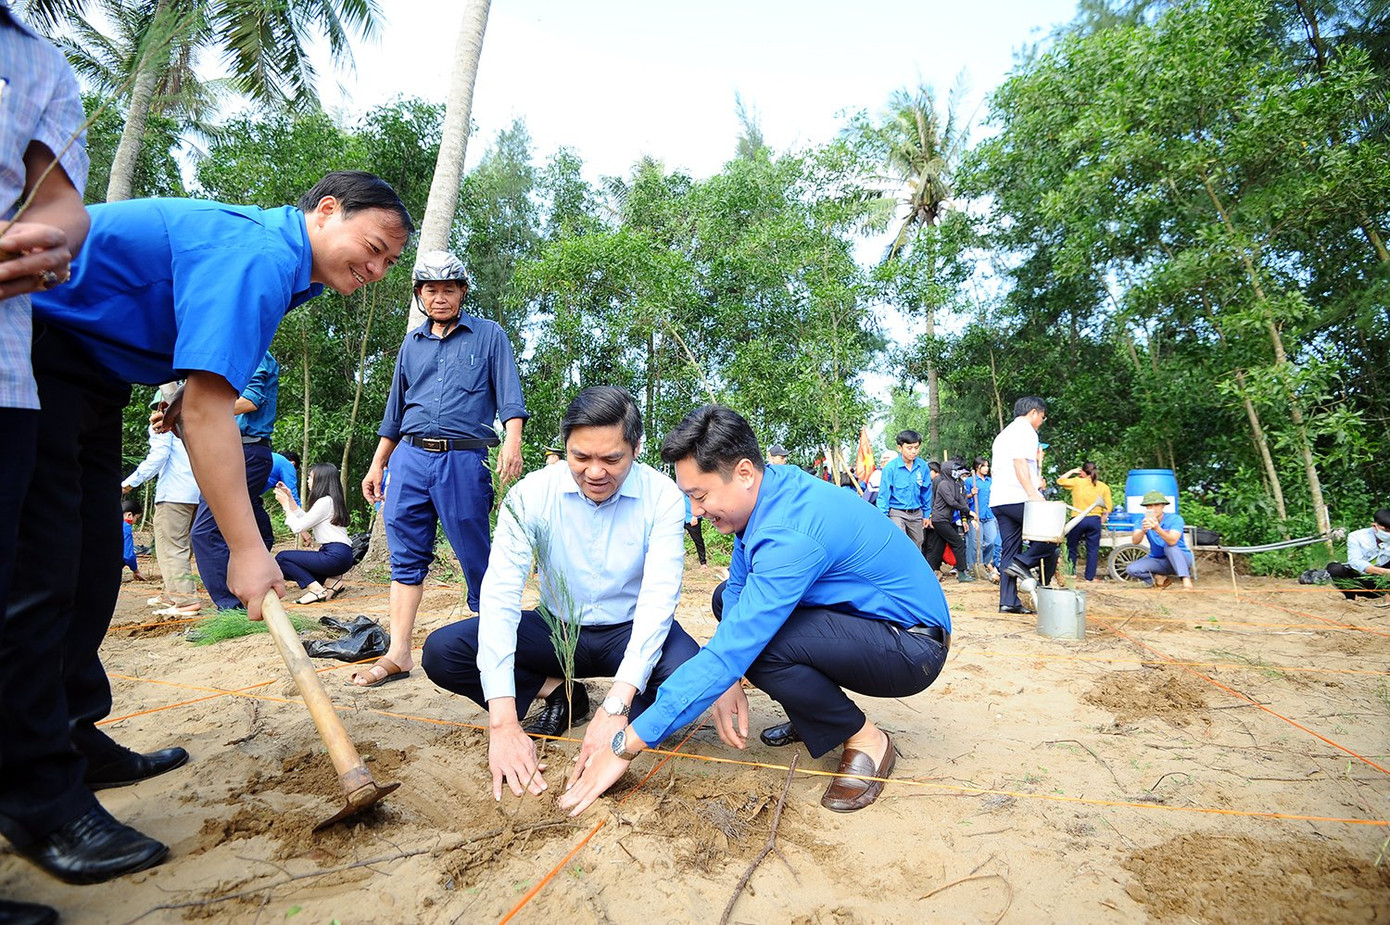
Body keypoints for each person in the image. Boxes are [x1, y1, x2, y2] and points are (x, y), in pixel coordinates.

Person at [11, 170, 411, 886]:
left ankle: (70, 730)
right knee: (43, 570)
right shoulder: (263, 253)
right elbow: (207, 410)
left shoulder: (285, 266)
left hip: (96, 374)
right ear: (325, 211)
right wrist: (249, 551)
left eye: (388, 263)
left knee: (95, 561)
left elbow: (193, 381)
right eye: (374, 247)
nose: (378, 270)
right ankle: (35, 794)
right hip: (36, 340)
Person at [559, 406, 952, 817]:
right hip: (863, 623)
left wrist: (624, 745)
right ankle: (814, 714)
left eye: (700, 496)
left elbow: (735, 648)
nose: (695, 512)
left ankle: (868, 740)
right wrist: (724, 680)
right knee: (724, 599)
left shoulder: (789, 532)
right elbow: (739, 593)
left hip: (911, 645)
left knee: (762, 648)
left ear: (744, 473)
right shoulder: (769, 492)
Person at [421, 387, 699, 801]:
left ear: (636, 448)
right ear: (565, 445)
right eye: (580, 457)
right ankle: (558, 692)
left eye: (611, 459)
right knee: (444, 651)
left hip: (628, 629)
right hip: (555, 629)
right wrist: (503, 723)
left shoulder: (662, 497)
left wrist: (619, 707)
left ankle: (620, 738)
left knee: (692, 677)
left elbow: (659, 601)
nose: (595, 472)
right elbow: (499, 597)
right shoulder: (531, 494)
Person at [0, 4, 92, 910]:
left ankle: (44, 789)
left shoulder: (35, 58)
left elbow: (62, 197)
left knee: (35, 588)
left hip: (9, 373)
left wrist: (53, 234)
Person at [358, 250, 527, 687]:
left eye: (448, 289)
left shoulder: (489, 336)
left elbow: (510, 397)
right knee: (405, 557)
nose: (440, 297)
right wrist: (379, 463)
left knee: (476, 556)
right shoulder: (410, 345)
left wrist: (513, 440)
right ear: (419, 294)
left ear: (462, 292)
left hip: (463, 458)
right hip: (409, 458)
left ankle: (497, 651)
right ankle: (399, 653)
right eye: (430, 290)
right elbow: (395, 410)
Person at [191, 350, 279, 610]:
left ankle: (231, 609)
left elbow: (250, 400)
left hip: (246, 452)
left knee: (206, 531)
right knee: (250, 526)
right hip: (233, 453)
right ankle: (259, 597)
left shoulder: (254, 353)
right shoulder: (227, 357)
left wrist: (201, 411)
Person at [122, 384, 202, 614]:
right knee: (182, 547)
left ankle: (185, 601)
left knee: (171, 548)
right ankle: (171, 594)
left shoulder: (162, 426)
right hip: (198, 493)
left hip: (174, 495)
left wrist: (129, 483)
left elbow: (157, 458)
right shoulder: (197, 422)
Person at [991, 397, 1052, 614]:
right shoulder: (1026, 431)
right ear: (1034, 413)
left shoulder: (1004, 434)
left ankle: (1008, 602)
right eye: (1042, 417)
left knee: (1010, 548)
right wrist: (1033, 493)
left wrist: (1036, 482)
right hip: (1018, 497)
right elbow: (1019, 464)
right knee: (1050, 539)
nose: (1041, 422)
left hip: (999, 501)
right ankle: (1023, 564)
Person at [273, 463, 353, 604]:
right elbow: (305, 519)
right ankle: (333, 582)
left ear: (320, 481)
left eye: (310, 478)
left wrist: (285, 506)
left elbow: (298, 527)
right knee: (295, 568)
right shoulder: (331, 501)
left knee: (282, 558)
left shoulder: (324, 502)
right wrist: (290, 498)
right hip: (343, 556)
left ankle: (316, 590)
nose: (308, 481)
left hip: (333, 555)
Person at [1125, 490, 1193, 588]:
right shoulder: (1141, 520)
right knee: (1132, 569)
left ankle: (1186, 580)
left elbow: (1172, 541)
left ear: (1163, 506)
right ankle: (1158, 579)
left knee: (1170, 547)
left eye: (1156, 505)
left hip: (1181, 558)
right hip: (1158, 560)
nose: (1153, 509)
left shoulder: (1175, 519)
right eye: (1149, 506)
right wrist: (1143, 530)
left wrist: (1157, 529)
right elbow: (1135, 541)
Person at [875, 430, 931, 549]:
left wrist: (926, 514)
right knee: (900, 541)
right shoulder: (890, 468)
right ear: (900, 448)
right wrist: (883, 516)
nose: (913, 451)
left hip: (916, 513)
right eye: (909, 448)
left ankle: (913, 567)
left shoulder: (923, 466)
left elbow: (926, 492)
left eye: (916, 447)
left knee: (918, 542)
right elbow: (883, 495)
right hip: (897, 512)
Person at [1058, 462, 1113, 583]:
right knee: (1092, 549)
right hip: (1094, 520)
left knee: (1071, 546)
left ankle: (1071, 573)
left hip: (1078, 519)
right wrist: (1101, 519)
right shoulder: (1103, 486)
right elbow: (1108, 507)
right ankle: (1090, 577)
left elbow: (1060, 481)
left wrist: (1072, 471)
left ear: (1083, 472)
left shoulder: (1077, 482)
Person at [925, 459, 975, 582]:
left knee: (938, 547)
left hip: (946, 520)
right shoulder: (943, 484)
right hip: (939, 519)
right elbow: (952, 502)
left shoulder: (956, 484)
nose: (957, 472)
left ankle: (929, 570)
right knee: (958, 543)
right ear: (948, 471)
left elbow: (961, 500)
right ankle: (962, 572)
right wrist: (969, 512)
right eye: (955, 470)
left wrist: (966, 515)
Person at [1324, 509, 1390, 600]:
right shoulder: (1356, 536)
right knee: (1334, 568)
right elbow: (1355, 562)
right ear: (1374, 526)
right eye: (1386, 530)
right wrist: (1384, 572)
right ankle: (1351, 598)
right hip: (1359, 579)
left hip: (1384, 582)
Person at [964, 457, 999, 582]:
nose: (986, 468)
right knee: (975, 543)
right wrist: (971, 494)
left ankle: (983, 563)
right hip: (975, 516)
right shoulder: (970, 481)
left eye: (987, 466)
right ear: (977, 467)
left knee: (992, 540)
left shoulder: (990, 481)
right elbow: (963, 499)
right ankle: (973, 566)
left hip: (989, 515)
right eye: (984, 466)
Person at [120, 500, 149, 582]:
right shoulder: (126, 527)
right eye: (137, 518)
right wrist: (136, 570)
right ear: (129, 515)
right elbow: (128, 556)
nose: (136, 521)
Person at [683, 493, 708, 566]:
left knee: (698, 540)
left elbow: (701, 504)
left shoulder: (694, 491)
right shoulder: (677, 490)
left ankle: (703, 562)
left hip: (692, 518)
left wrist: (695, 516)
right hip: (680, 518)